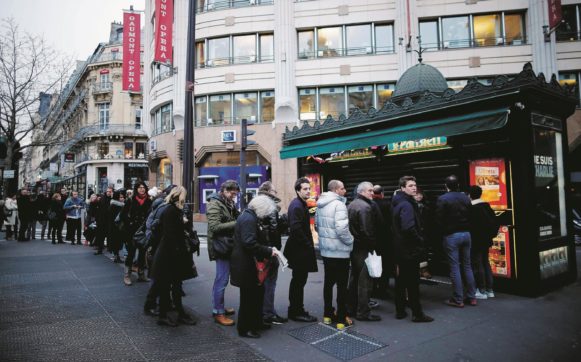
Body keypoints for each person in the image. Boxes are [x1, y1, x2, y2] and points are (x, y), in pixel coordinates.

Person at [149, 186, 197, 327]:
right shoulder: (171, 210)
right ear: (179, 196)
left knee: (174, 285)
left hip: (171, 254)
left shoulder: (173, 210)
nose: (185, 198)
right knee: (167, 286)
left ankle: (178, 313)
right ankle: (165, 316)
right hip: (169, 255)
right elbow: (170, 234)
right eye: (184, 195)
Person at [231, 195, 277, 338]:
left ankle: (256, 323)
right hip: (246, 264)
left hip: (248, 263)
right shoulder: (249, 219)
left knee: (256, 294)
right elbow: (249, 243)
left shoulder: (248, 216)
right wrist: (268, 250)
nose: (266, 216)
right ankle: (245, 328)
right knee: (248, 297)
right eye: (266, 212)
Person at [392, 176, 434, 323]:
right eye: (410, 186)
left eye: (415, 185)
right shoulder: (407, 205)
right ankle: (417, 313)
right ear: (403, 188)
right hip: (409, 249)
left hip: (400, 248)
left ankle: (400, 310)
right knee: (413, 282)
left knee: (401, 280)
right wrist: (420, 240)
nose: (414, 188)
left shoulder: (398, 202)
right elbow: (408, 227)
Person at [315, 179, 354, 327]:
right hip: (340, 251)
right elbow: (342, 229)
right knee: (342, 285)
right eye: (343, 188)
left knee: (328, 283)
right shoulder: (339, 205)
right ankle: (341, 319)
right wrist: (351, 241)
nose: (345, 191)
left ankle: (327, 315)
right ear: (336, 190)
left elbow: (318, 227)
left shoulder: (320, 205)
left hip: (326, 251)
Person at [436, 175, 477, 307]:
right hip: (467, 234)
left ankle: (458, 299)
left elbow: (439, 219)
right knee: (467, 265)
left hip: (452, 235)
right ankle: (471, 297)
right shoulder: (465, 197)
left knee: (455, 267)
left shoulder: (442, 199)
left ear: (446, 186)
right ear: (458, 185)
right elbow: (471, 215)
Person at [284, 177, 318, 322]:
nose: (308, 191)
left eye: (309, 188)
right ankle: (296, 311)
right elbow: (296, 229)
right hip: (299, 251)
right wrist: (308, 244)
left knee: (298, 281)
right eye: (304, 189)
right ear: (298, 190)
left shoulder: (301, 204)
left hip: (299, 249)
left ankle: (296, 309)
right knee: (298, 281)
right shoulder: (297, 205)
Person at [207, 180, 240, 326]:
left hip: (226, 245)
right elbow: (214, 227)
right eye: (232, 193)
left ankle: (218, 307)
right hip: (221, 246)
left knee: (221, 279)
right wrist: (236, 223)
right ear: (225, 190)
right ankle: (218, 312)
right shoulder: (215, 203)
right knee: (222, 279)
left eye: (235, 194)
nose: (234, 196)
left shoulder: (227, 203)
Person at [347, 181, 381, 322]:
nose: (372, 193)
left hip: (354, 247)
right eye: (370, 190)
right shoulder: (365, 207)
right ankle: (363, 312)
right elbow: (367, 231)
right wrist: (373, 247)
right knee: (365, 282)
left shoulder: (352, 204)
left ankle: (351, 308)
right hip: (363, 248)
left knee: (354, 280)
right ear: (361, 191)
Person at [257, 181, 288, 326]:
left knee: (263, 282)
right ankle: (268, 313)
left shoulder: (258, 204)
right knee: (269, 283)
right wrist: (274, 249)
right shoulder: (270, 206)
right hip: (270, 250)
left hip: (262, 248)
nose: (276, 193)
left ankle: (265, 311)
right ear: (269, 192)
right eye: (274, 191)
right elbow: (274, 230)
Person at [469, 185, 498, 299]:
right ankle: (490, 290)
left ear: (470, 195)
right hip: (486, 240)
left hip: (476, 241)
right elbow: (495, 223)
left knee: (477, 263)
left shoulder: (472, 208)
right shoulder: (487, 206)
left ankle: (481, 290)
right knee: (486, 262)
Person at [123, 181, 152, 286]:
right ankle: (127, 275)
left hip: (143, 231)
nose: (142, 189)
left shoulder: (149, 201)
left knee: (142, 253)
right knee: (131, 253)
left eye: (143, 187)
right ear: (136, 189)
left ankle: (141, 274)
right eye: (139, 187)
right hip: (131, 231)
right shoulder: (130, 200)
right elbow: (123, 215)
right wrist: (129, 223)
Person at [371, 185, 393, 300]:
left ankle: (373, 288)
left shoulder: (369, 204)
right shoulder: (388, 204)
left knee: (373, 264)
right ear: (382, 193)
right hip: (386, 240)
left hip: (373, 240)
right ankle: (383, 289)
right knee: (385, 266)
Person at [108, 190, 128, 263]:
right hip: (116, 227)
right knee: (116, 242)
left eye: (123, 197)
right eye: (120, 197)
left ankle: (117, 256)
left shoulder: (120, 205)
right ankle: (116, 256)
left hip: (118, 227)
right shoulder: (115, 205)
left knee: (118, 242)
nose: (122, 198)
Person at [94, 187, 113, 255]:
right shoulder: (102, 198)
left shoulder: (113, 199)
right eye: (108, 191)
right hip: (101, 220)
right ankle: (100, 249)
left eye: (110, 191)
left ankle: (109, 248)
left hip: (109, 220)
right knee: (100, 236)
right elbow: (97, 208)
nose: (108, 192)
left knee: (109, 235)